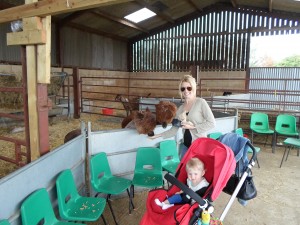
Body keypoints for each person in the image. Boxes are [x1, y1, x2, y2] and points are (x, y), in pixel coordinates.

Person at [149, 74, 216, 159]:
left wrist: (192, 127)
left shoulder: (201, 102)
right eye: (183, 88)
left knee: (195, 171)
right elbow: (173, 130)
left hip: (200, 146)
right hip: (186, 147)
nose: (186, 91)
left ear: (193, 88)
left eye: (189, 88)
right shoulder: (180, 109)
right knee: (183, 171)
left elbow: (212, 123)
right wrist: (157, 136)